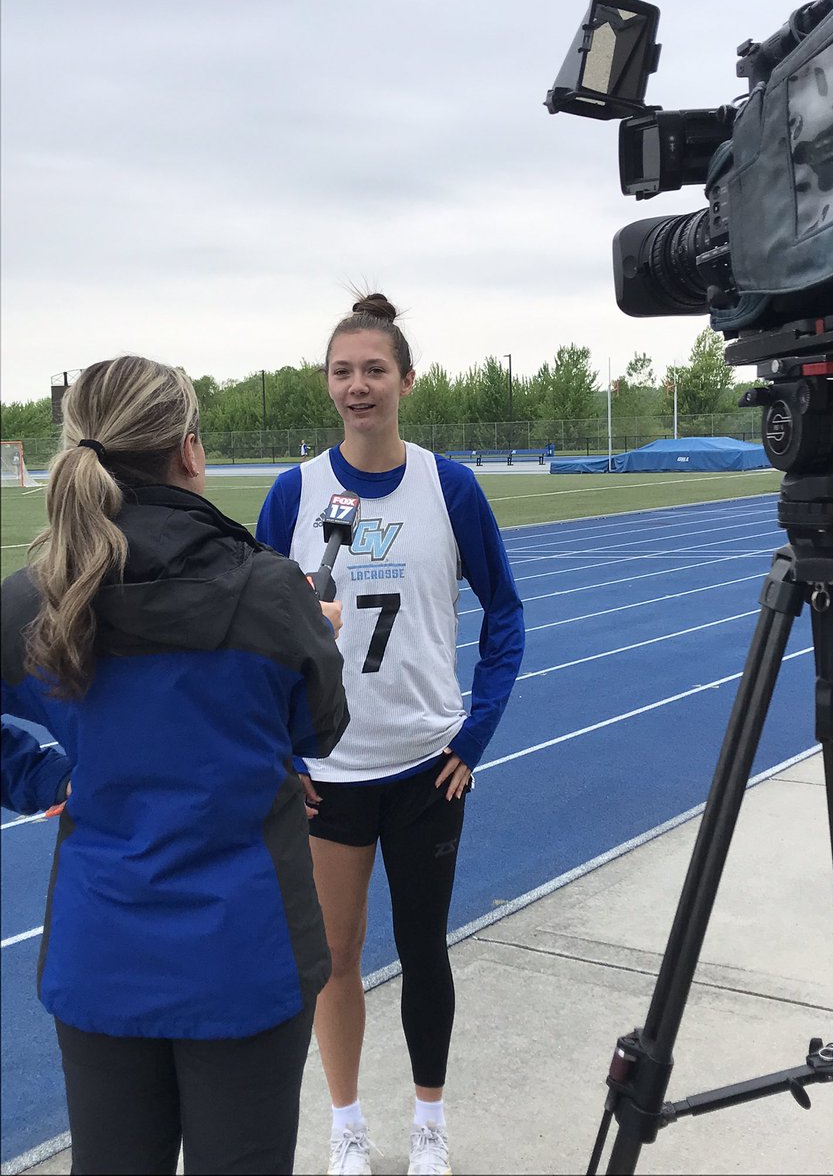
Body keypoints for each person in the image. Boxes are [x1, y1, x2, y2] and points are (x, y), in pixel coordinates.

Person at [0, 355, 349, 1176]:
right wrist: (314, 634)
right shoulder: (270, 593)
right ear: (189, 452)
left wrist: (48, 778)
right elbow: (319, 730)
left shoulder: (34, 599)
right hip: (248, 950)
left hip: (101, 950)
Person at [256, 294, 525, 1176]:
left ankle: (429, 1122)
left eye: (375, 369)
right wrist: (282, 751)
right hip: (331, 774)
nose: (358, 385)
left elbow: (508, 615)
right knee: (334, 957)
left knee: (421, 947)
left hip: (423, 766)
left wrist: (473, 736)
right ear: (326, 384)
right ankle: (344, 1126)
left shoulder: (448, 486)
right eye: (343, 371)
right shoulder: (294, 492)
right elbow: (250, 638)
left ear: (406, 380)